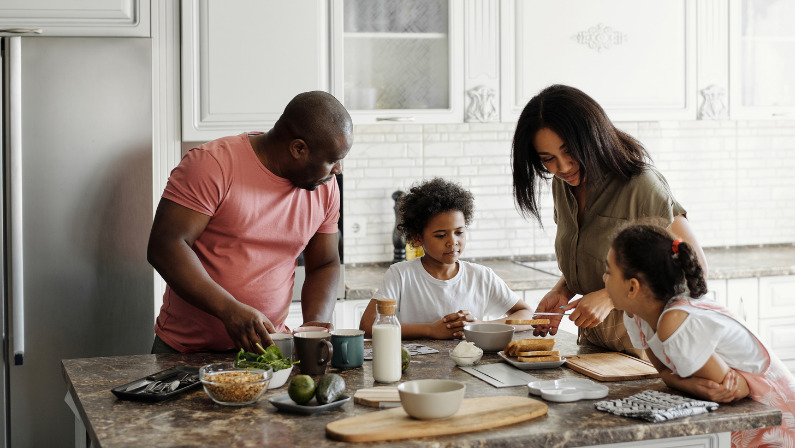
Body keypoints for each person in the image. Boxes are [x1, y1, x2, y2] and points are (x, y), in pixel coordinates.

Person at [147, 91, 353, 353]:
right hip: (185, 352)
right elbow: (165, 246)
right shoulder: (212, 165)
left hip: (267, 351)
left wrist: (314, 327)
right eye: (333, 160)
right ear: (298, 148)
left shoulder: (325, 187)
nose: (338, 170)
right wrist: (228, 310)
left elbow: (324, 263)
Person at [511, 84, 707, 358]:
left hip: (648, 352)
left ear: (592, 137)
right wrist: (563, 289)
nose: (563, 167)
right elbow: (601, 259)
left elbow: (691, 270)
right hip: (596, 348)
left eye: (569, 151)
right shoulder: (563, 184)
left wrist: (609, 298)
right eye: (548, 159)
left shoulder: (640, 184)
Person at [605, 221, 795, 446]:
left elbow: (728, 390)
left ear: (632, 287)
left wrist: (685, 383)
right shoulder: (636, 316)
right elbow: (665, 373)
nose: (603, 278)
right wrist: (691, 385)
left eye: (608, 271)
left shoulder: (674, 321)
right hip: (742, 415)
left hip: (774, 415)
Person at [359, 178, 535, 339]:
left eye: (459, 232)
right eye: (441, 235)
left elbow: (527, 314)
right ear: (417, 238)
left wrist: (480, 326)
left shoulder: (481, 276)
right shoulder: (401, 274)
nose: (453, 242)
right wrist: (431, 330)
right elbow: (367, 325)